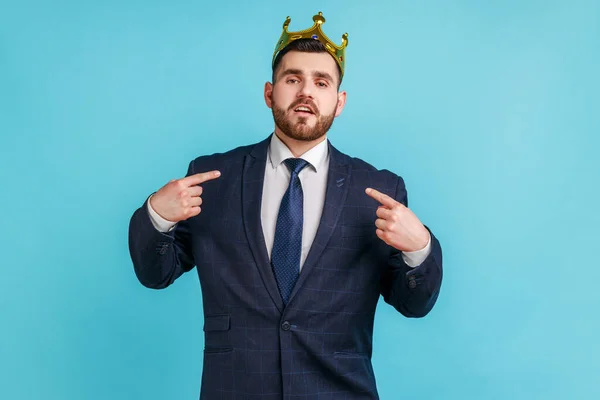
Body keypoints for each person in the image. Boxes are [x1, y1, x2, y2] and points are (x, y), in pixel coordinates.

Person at [128, 11, 443, 399]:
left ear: (339, 101)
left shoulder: (378, 189)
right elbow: (155, 274)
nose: (305, 92)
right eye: (292, 79)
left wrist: (419, 249)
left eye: (321, 82)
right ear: (269, 92)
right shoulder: (212, 178)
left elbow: (414, 304)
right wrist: (156, 215)